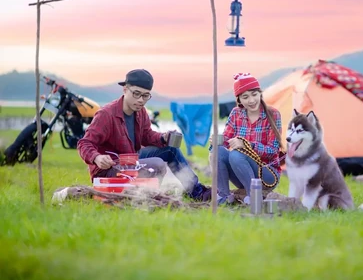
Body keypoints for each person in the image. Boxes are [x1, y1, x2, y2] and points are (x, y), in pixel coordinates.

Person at [77, 69, 210, 201]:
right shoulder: (106, 114)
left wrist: (163, 137)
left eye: (146, 96)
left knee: (171, 149)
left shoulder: (140, 112)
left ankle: (195, 191)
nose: (141, 100)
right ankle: (148, 197)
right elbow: (84, 143)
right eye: (136, 94)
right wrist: (97, 157)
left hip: (131, 160)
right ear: (125, 89)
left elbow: (146, 135)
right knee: (157, 164)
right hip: (110, 168)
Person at [210, 73, 284, 205]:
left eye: (254, 94)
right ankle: (224, 196)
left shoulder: (273, 115)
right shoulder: (236, 113)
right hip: (241, 172)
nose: (251, 100)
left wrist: (247, 145)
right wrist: (215, 142)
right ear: (239, 100)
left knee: (236, 154)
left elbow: (273, 151)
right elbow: (226, 139)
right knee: (218, 150)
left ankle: (254, 198)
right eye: (245, 97)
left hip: (267, 174)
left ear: (260, 94)